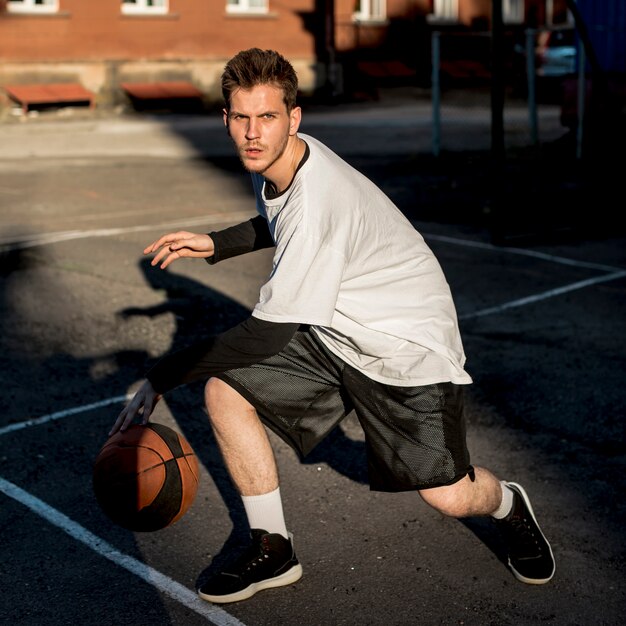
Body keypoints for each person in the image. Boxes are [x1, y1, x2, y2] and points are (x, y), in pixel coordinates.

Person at [110, 48, 555, 604]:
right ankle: (273, 548)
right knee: (226, 392)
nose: (253, 133)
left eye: (267, 117)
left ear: (293, 118)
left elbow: (268, 331)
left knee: (448, 495)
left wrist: (160, 376)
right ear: (226, 118)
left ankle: (507, 503)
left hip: (404, 348)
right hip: (337, 330)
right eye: (242, 118)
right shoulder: (277, 162)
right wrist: (217, 243)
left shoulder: (320, 197)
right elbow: (278, 217)